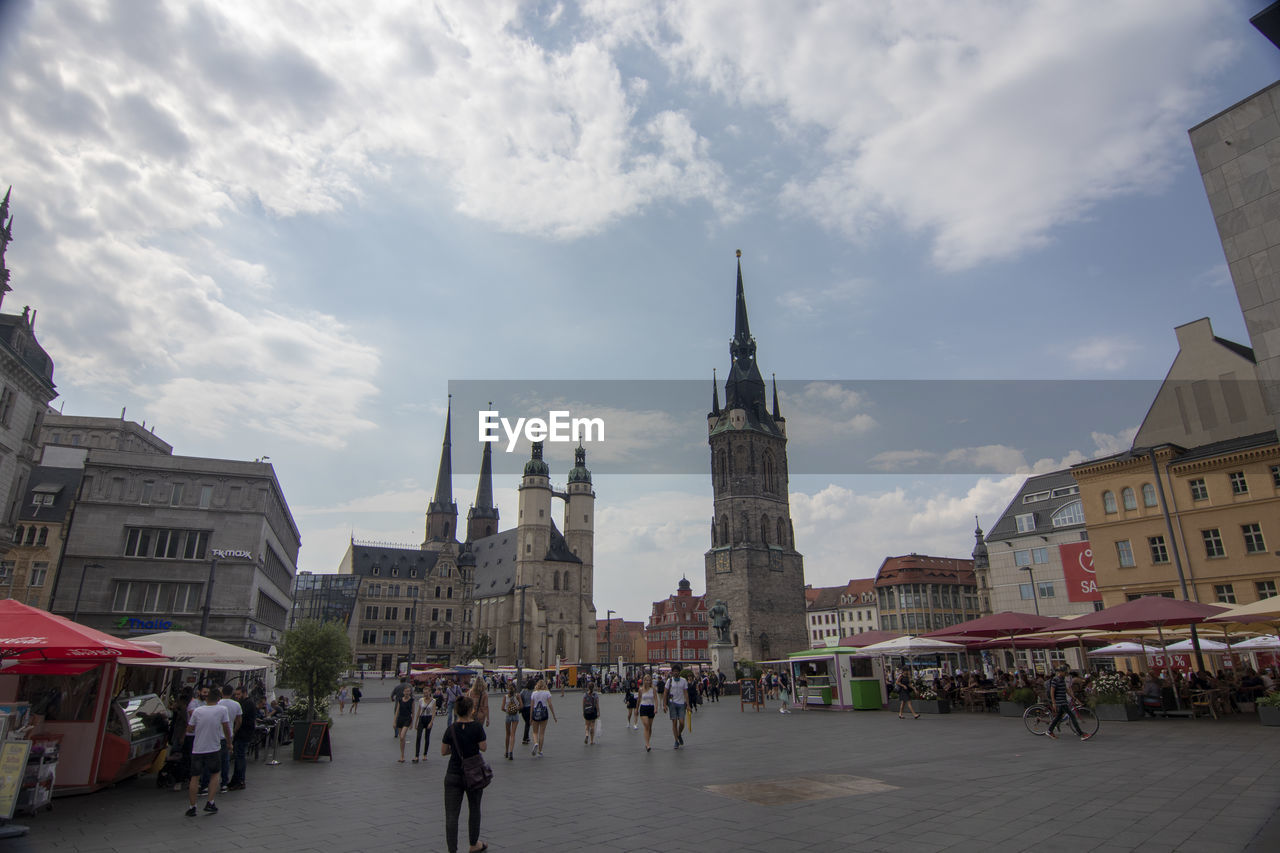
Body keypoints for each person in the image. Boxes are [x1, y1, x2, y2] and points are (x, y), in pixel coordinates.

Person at [440, 695, 488, 853]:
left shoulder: (451, 728)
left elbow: (443, 751)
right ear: (470, 710)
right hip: (473, 774)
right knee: (474, 809)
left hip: (453, 773)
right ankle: (474, 844)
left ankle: (452, 850)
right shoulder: (476, 727)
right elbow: (483, 747)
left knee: (451, 815)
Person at [185, 687, 233, 817]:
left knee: (195, 777)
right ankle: (210, 802)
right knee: (215, 774)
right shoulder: (222, 710)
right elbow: (226, 728)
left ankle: (192, 806)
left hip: (197, 748)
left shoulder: (197, 711)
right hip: (213, 747)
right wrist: (229, 743)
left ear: (207, 698)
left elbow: (190, 729)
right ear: (218, 699)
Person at [1046, 665, 1090, 741]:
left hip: (1063, 701)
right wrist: (1054, 703)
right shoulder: (1055, 680)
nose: (1066, 673)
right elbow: (1052, 692)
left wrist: (1074, 698)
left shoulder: (1062, 679)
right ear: (1060, 672)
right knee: (1072, 716)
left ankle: (1049, 731)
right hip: (1060, 702)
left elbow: (1066, 690)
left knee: (1058, 717)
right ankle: (1081, 734)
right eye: (1065, 672)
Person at [227, 685, 257, 790]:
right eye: (235, 694)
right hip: (243, 734)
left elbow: (239, 718)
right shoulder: (245, 703)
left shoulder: (248, 703)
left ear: (244, 693)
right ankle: (236, 779)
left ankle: (239, 780)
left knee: (240, 756)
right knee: (239, 756)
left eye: (238, 694)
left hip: (243, 734)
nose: (237, 696)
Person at [528, 678, 556, 757]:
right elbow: (550, 704)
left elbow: (532, 706)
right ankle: (540, 751)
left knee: (535, 732)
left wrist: (530, 718)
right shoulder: (547, 693)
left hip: (535, 713)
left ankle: (536, 743)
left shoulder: (534, 693)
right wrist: (554, 715)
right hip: (544, 713)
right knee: (542, 733)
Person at [664, 666, 689, 749]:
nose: (675, 673)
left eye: (677, 671)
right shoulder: (669, 681)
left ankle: (679, 734)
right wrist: (664, 705)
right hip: (672, 703)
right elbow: (665, 692)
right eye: (674, 671)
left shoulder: (683, 681)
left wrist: (688, 705)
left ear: (679, 672)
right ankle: (676, 741)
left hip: (681, 703)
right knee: (674, 722)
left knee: (682, 723)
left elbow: (685, 693)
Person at [413, 688, 438, 763]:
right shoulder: (421, 700)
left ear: (430, 692)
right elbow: (418, 711)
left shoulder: (433, 701)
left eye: (426, 693)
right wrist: (416, 722)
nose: (425, 694)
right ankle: (416, 755)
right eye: (424, 693)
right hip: (422, 718)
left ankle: (425, 754)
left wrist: (431, 722)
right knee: (418, 736)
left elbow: (433, 712)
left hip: (428, 718)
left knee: (427, 737)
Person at [394, 683, 416, 762]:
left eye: (408, 691)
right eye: (406, 691)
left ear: (410, 692)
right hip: (400, 719)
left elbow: (413, 712)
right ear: (403, 692)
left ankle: (402, 755)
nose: (407, 693)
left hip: (407, 719)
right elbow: (397, 711)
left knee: (402, 736)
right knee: (401, 739)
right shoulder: (400, 700)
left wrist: (412, 723)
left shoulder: (412, 700)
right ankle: (402, 755)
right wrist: (394, 721)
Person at [637, 674, 657, 752]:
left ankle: (647, 742)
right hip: (643, 707)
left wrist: (656, 708)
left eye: (649, 680)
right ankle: (647, 744)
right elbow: (639, 699)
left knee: (650, 727)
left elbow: (655, 699)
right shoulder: (641, 690)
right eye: (646, 680)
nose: (647, 681)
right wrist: (636, 709)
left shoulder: (653, 689)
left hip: (651, 707)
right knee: (646, 725)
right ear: (644, 681)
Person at [501, 684, 521, 761]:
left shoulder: (505, 697)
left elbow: (502, 708)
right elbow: (521, 705)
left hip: (508, 715)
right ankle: (511, 752)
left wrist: (508, 710)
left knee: (507, 734)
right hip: (515, 715)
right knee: (513, 734)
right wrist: (516, 708)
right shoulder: (518, 696)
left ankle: (506, 751)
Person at [519, 679, 533, 745]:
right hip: (530, 708)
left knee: (527, 723)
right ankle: (525, 738)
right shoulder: (533, 692)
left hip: (523, 709)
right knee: (528, 723)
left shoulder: (523, 691)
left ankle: (527, 737)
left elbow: (519, 696)